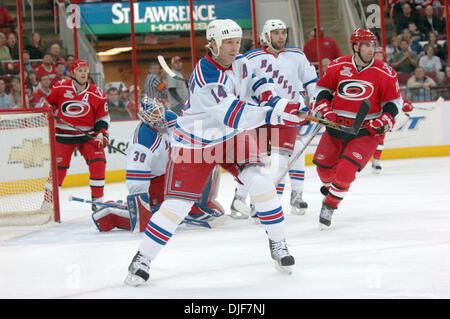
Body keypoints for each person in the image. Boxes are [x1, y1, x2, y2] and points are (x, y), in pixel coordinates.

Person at [124, 19, 302, 286]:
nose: (234, 48)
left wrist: (276, 101)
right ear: (213, 43)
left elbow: (259, 81)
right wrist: (275, 113)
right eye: (228, 42)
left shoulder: (240, 62)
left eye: (237, 42)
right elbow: (233, 115)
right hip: (196, 140)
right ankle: (142, 259)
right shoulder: (206, 76)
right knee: (176, 207)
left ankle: (279, 244)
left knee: (262, 182)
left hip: (230, 137)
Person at [311, 28, 402, 228]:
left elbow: (394, 102)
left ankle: (330, 204)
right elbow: (323, 90)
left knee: (346, 170)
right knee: (323, 169)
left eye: (373, 45)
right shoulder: (338, 65)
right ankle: (332, 188)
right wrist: (325, 109)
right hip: (336, 127)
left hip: (364, 132)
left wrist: (383, 120)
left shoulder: (384, 72)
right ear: (355, 46)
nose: (372, 49)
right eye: (367, 45)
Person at [92, 97, 226, 232]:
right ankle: (110, 212)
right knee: (156, 219)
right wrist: (141, 210)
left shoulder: (170, 118)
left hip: (171, 172)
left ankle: (199, 206)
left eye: (159, 111)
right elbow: (136, 181)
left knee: (207, 159)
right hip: (155, 182)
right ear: (145, 117)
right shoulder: (142, 141)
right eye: (154, 114)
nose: (160, 117)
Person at [230, 19, 317, 218]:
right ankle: (242, 199)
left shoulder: (296, 55)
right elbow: (240, 84)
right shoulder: (251, 57)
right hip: (261, 116)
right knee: (255, 160)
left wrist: (318, 101)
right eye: (276, 33)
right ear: (266, 36)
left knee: (288, 155)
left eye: (283, 32)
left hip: (288, 115)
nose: (281, 36)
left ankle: (289, 196)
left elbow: (311, 80)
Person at [42, 59, 110, 211]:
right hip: (63, 134)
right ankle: (48, 203)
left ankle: (98, 201)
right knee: (59, 169)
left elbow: (102, 118)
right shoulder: (60, 88)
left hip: (88, 136)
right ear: (72, 73)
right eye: (80, 70)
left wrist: (100, 134)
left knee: (99, 162)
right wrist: (48, 109)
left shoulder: (97, 93)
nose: (83, 73)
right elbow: (47, 104)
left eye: (85, 70)